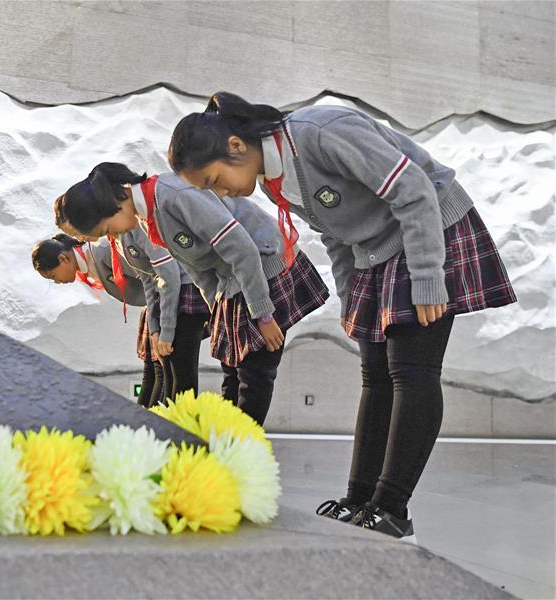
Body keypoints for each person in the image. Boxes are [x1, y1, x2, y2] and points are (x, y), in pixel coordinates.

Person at [167, 91, 517, 541]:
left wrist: (430, 277)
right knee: (375, 373)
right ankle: (359, 500)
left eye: (216, 180)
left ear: (236, 146)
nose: (222, 193)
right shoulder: (277, 178)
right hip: (379, 250)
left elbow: (414, 191)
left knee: (412, 370)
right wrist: (352, 301)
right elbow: (337, 235)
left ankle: (391, 508)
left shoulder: (319, 133)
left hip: (430, 230)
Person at [54, 163, 328, 425]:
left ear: (113, 203)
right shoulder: (149, 215)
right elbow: (196, 268)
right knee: (232, 371)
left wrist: (264, 316)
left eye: (106, 229)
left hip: (263, 269)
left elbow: (243, 249)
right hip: (232, 280)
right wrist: (217, 306)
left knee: (254, 375)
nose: (112, 234)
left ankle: (240, 454)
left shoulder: (173, 196)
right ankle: (223, 453)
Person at [31, 233, 163, 407]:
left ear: (63, 259)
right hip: (153, 306)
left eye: (53, 276)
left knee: (162, 371)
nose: (57, 282)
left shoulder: (103, 252)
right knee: (152, 370)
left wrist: (157, 325)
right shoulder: (91, 262)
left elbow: (154, 276)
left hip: (163, 302)